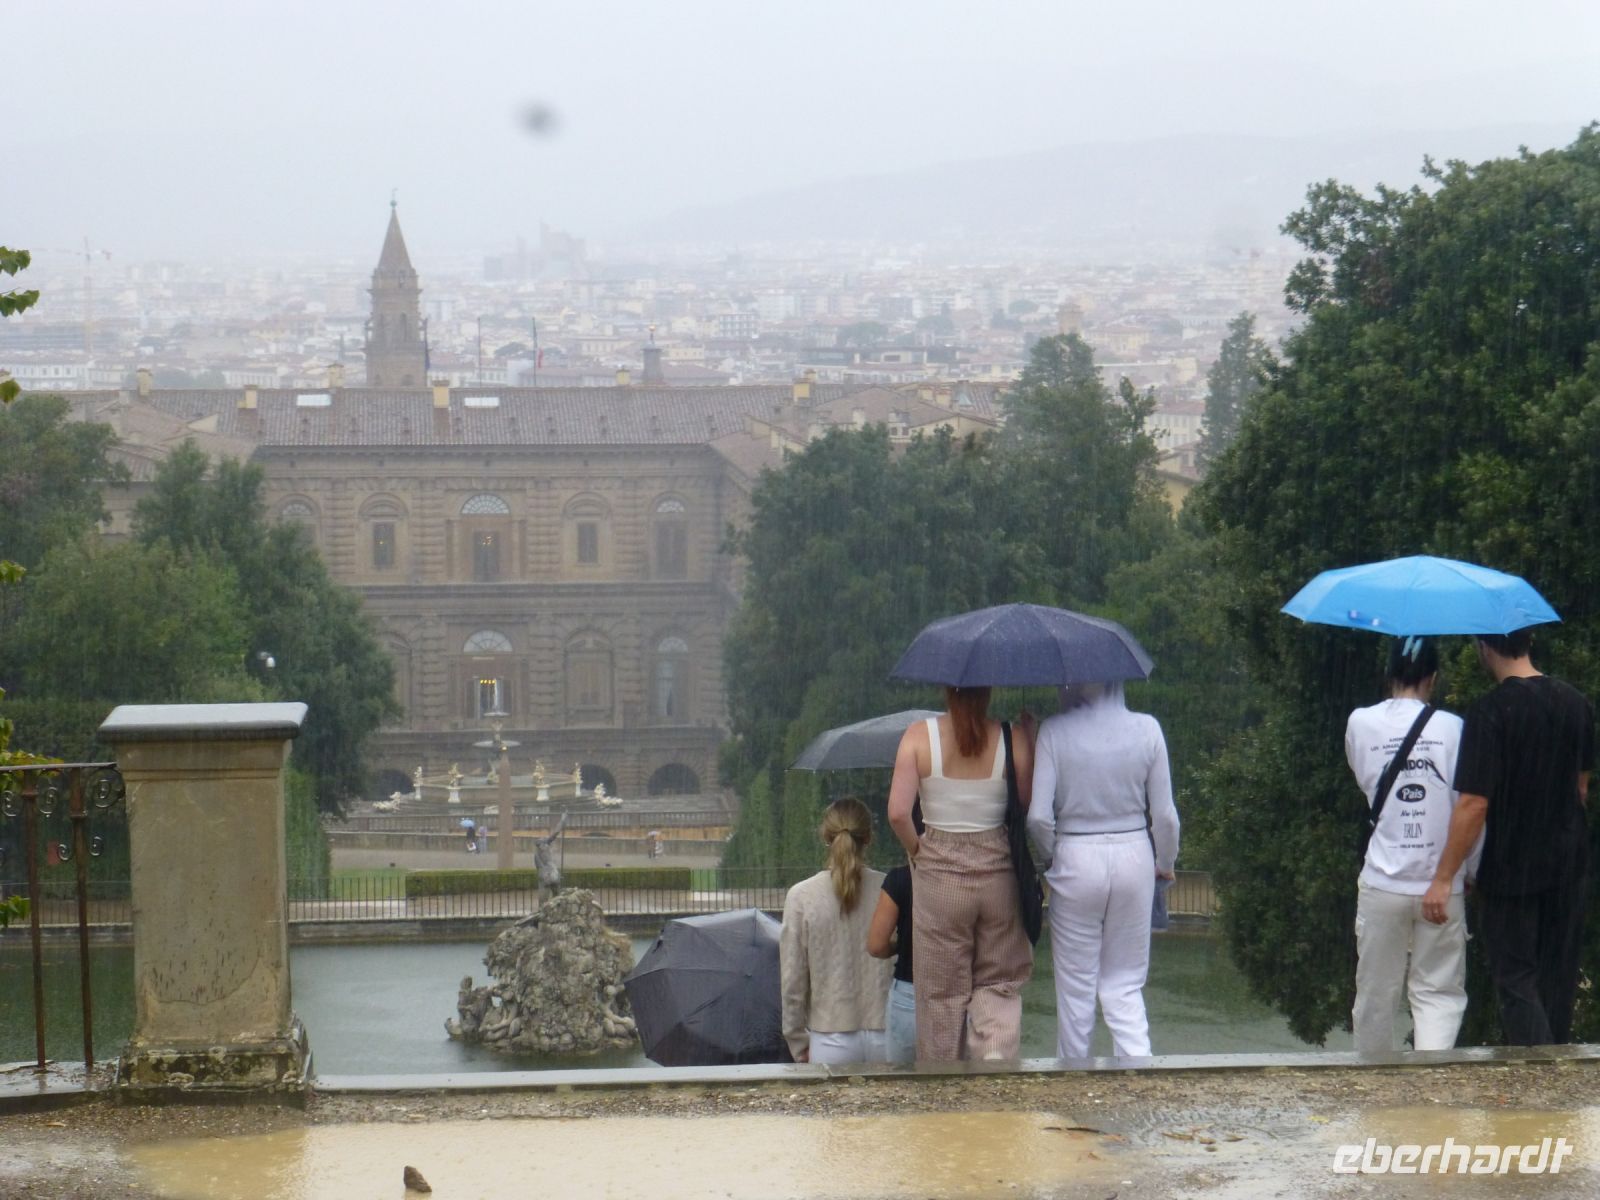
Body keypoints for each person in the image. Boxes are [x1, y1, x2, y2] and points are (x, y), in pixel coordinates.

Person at [1422, 628, 1595, 1045]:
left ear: (1485, 649)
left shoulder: (1490, 712)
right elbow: (1581, 789)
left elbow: (1473, 804)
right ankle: (1557, 1069)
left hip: (1512, 864)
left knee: (1516, 980)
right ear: (1529, 641)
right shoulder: (1576, 703)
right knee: (1558, 975)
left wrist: (1444, 876)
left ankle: (1542, 1075)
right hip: (1570, 863)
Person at [1027, 682, 1177, 1060]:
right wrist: (1165, 863)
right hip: (1134, 853)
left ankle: (1074, 1082)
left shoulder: (1054, 731)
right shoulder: (1147, 729)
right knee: (1124, 984)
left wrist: (1052, 858)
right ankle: (1137, 1070)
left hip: (1075, 854)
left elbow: (1039, 819)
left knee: (1076, 990)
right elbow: (1165, 817)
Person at [1345, 636, 1476, 1054]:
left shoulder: (1360, 723)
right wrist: (1466, 871)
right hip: (1441, 882)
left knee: (1375, 994)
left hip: (1383, 879)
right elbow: (1469, 806)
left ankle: (1374, 1085)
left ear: (1388, 675)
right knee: (1437, 993)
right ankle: (1431, 1083)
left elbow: (1365, 780)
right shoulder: (1454, 728)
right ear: (1433, 678)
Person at [888, 687, 1034, 1062]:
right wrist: (1030, 740)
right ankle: (995, 1063)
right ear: (987, 692)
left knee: (940, 994)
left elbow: (898, 813)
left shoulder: (919, 736)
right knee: (998, 983)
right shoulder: (1011, 737)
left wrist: (918, 850)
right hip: (999, 876)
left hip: (940, 880)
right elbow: (1025, 805)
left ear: (946, 691)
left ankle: (944, 1088)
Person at [780, 797, 892, 1064]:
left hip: (829, 1034)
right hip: (886, 1030)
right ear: (868, 837)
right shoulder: (890, 889)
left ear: (826, 836)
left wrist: (797, 1042)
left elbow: (792, 981)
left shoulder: (801, 896)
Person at [867, 802, 922, 1064]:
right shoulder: (962, 877)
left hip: (909, 989)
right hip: (956, 989)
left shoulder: (899, 880)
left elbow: (876, 945)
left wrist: (901, 945)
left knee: (903, 1087)